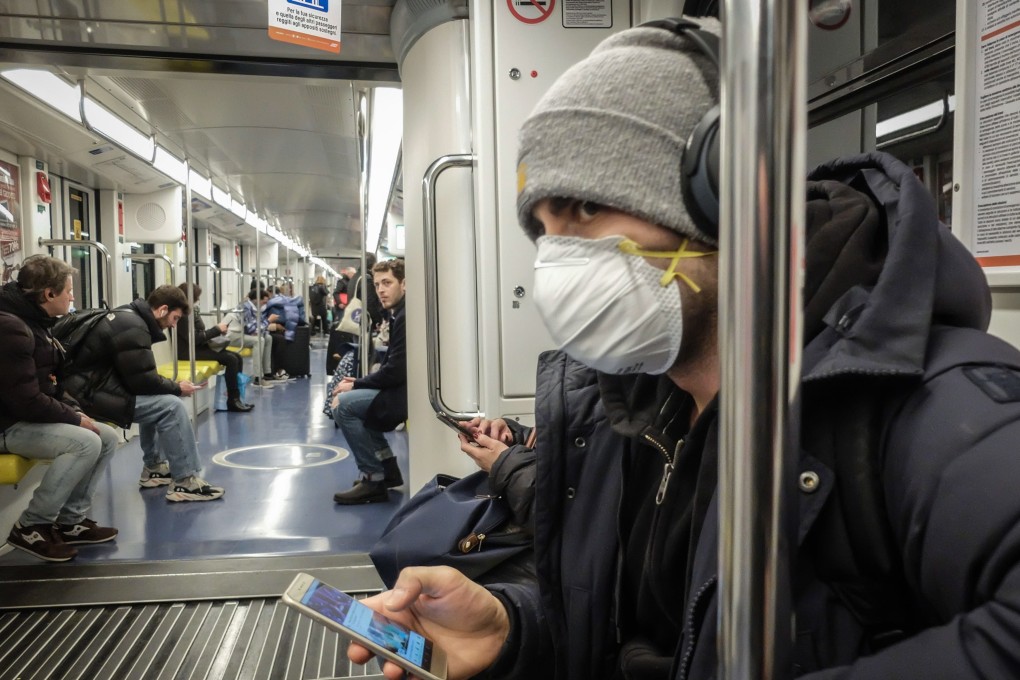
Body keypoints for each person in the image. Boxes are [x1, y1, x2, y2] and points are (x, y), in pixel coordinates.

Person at [348, 18, 1020, 680]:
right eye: (546, 230)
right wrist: (513, 629)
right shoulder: (623, 414)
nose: (558, 260)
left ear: (723, 198)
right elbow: (636, 630)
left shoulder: (927, 405)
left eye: (584, 208)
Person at [0, 255, 119, 561]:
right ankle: (31, 526)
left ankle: (71, 521)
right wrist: (72, 419)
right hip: (7, 424)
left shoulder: (35, 322)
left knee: (106, 436)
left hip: (22, 418)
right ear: (48, 295)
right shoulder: (11, 328)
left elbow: (47, 384)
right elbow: (24, 400)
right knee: (84, 442)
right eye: (68, 291)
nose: (72, 297)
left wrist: (75, 410)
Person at [62, 284, 225, 502]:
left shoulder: (129, 317)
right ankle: (185, 482)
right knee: (171, 406)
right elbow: (143, 382)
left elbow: (140, 378)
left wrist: (170, 386)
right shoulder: (134, 327)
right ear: (163, 309)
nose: (174, 326)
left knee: (159, 401)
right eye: (175, 318)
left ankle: (154, 468)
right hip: (88, 396)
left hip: (91, 388)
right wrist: (177, 388)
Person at [330, 259, 407, 505]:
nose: (381, 290)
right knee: (357, 405)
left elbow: (396, 370)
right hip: (399, 387)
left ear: (403, 284)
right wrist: (362, 381)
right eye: (377, 285)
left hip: (404, 393)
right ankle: (387, 469)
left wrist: (358, 385)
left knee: (344, 405)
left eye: (387, 283)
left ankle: (374, 478)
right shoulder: (399, 314)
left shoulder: (405, 317)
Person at [176, 283, 252, 412]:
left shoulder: (191, 312)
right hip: (189, 352)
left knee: (237, 357)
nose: (198, 300)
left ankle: (238, 397)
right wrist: (216, 329)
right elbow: (193, 338)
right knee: (231, 359)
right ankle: (232, 401)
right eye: (196, 297)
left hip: (199, 348)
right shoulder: (183, 316)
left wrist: (217, 332)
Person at [234, 287, 288, 386]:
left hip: (244, 334)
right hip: (235, 336)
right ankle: (257, 378)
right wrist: (268, 321)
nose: (264, 305)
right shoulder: (245, 308)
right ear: (256, 299)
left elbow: (258, 328)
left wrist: (264, 326)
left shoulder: (255, 308)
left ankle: (267, 373)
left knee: (268, 338)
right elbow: (252, 330)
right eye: (263, 302)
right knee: (259, 340)